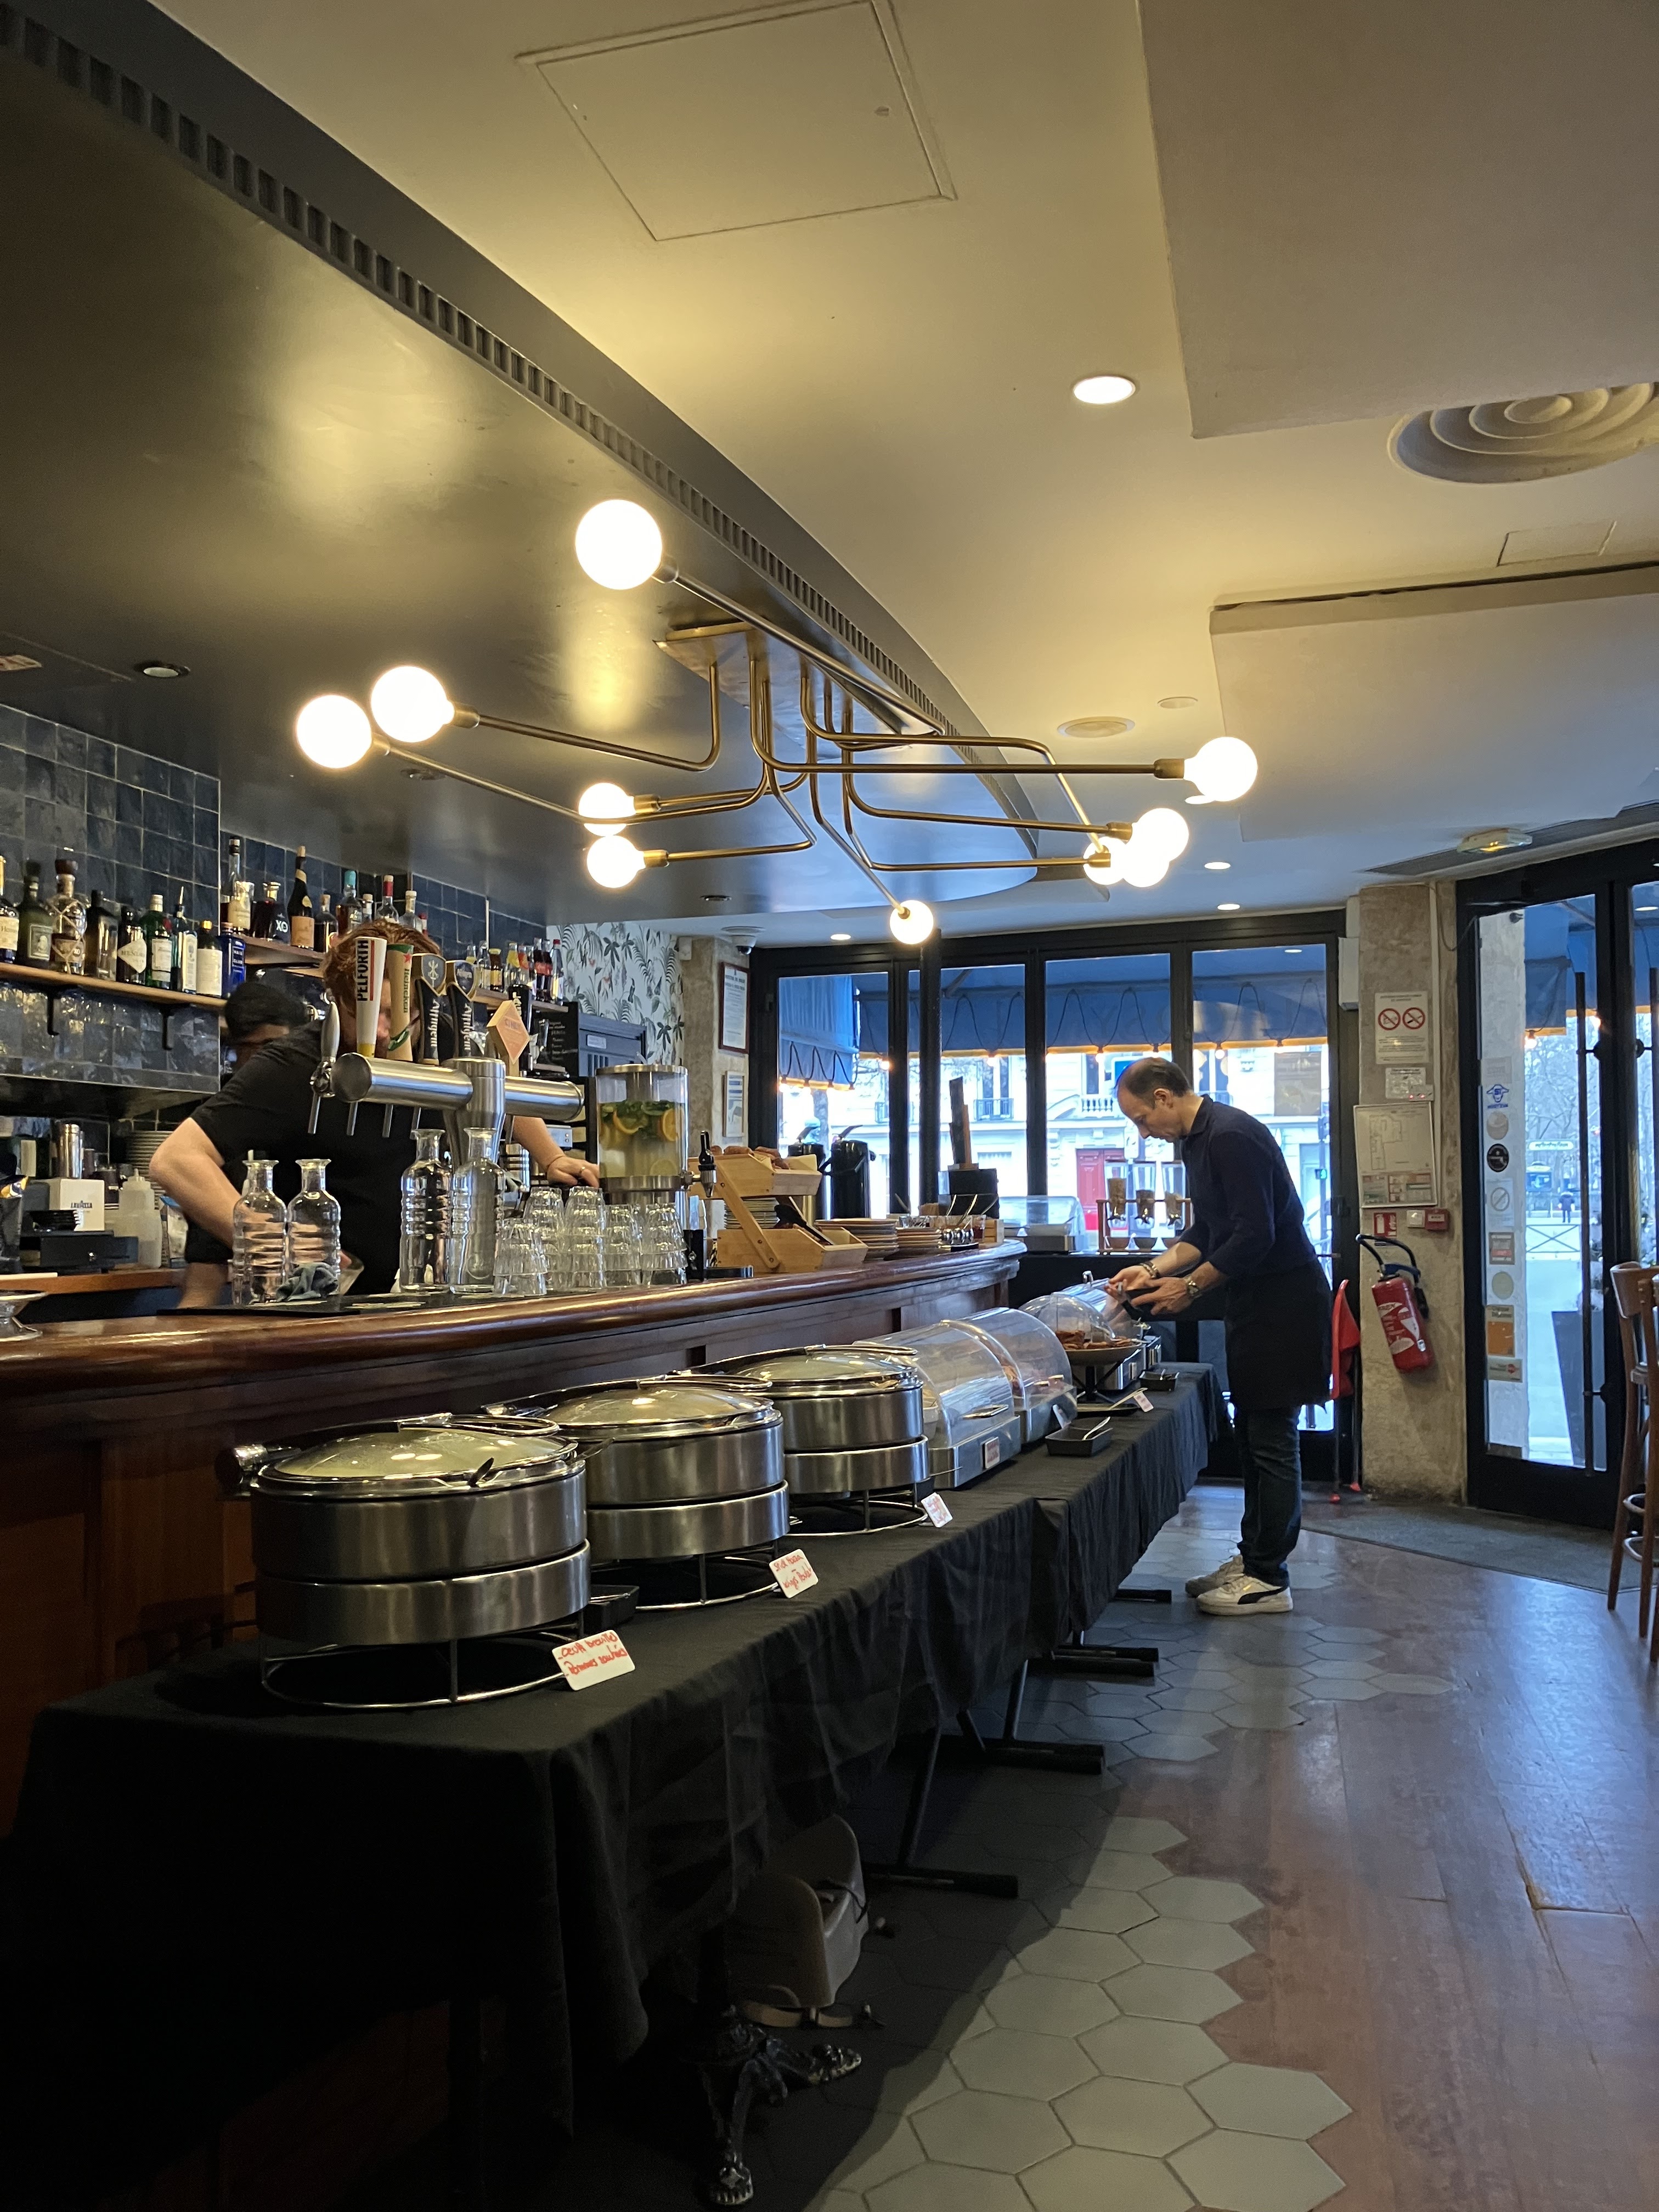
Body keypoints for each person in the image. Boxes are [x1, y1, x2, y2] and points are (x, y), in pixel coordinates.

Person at [151, 920, 597, 1306]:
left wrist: (551, 1157)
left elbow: (492, 1091)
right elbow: (175, 1160)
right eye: (367, 1015)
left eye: (401, 1017)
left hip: (420, 1300)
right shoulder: (297, 1066)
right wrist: (269, 1239)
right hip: (321, 1304)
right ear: (337, 1001)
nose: (384, 1033)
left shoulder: (441, 1041)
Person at [1111, 1056, 1331, 1616]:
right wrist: (1153, 1270)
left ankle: (1269, 1578)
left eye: (1142, 1119)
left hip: (1286, 1300)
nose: (1144, 1133)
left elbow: (1256, 1234)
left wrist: (1189, 1288)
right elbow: (1209, 1229)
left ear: (1164, 1097)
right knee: (1253, 1437)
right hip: (1255, 1301)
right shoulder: (1197, 1141)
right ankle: (1255, 1557)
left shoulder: (1232, 1136)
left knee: (1273, 1439)